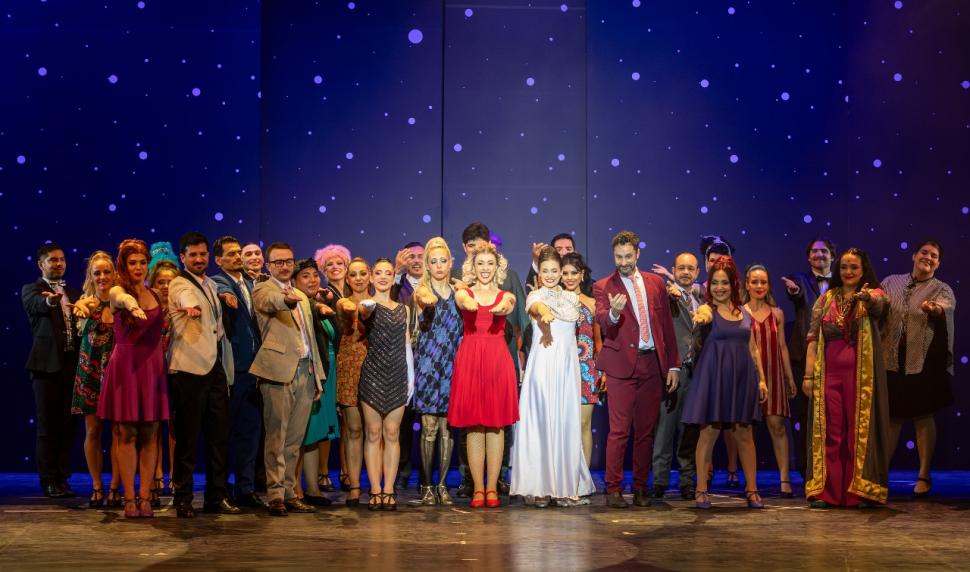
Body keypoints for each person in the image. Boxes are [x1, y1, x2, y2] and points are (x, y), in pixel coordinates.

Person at [593, 231, 680, 509]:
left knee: (645, 431)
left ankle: (641, 487)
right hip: (621, 366)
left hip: (651, 363)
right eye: (618, 257)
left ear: (637, 253)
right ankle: (614, 489)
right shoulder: (603, 286)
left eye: (628, 256)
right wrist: (614, 313)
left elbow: (666, 326)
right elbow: (603, 320)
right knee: (619, 431)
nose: (623, 262)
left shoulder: (656, 283)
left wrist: (673, 364)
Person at [803, 248, 890, 508]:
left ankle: (860, 492)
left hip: (861, 377)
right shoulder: (826, 299)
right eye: (844, 267)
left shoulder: (874, 294)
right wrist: (808, 376)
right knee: (832, 431)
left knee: (857, 432)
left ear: (863, 271)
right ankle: (827, 492)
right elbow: (812, 338)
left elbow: (880, 307)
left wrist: (867, 298)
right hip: (829, 375)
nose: (848, 272)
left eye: (854, 267)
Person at [511, 247, 595, 507]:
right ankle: (539, 486)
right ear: (539, 273)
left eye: (554, 270)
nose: (549, 275)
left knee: (565, 423)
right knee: (541, 422)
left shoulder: (571, 298)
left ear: (561, 272)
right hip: (543, 366)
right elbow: (536, 308)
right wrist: (544, 313)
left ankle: (564, 486)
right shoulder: (535, 296)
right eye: (544, 270)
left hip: (567, 369)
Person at [681, 256, 768, 510]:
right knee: (709, 433)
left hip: (742, 379)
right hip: (714, 379)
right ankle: (701, 489)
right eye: (715, 283)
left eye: (725, 283)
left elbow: (753, 348)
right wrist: (702, 316)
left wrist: (762, 380)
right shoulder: (707, 310)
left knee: (744, 434)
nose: (720, 287)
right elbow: (703, 316)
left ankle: (752, 489)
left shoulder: (744, 312)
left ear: (733, 284)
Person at [250, 242, 326, 516]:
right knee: (277, 437)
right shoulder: (263, 289)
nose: (284, 266)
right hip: (278, 372)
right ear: (269, 265)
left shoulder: (302, 296)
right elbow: (269, 302)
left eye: (288, 261)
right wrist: (286, 300)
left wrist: (318, 376)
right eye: (278, 262)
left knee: (295, 439)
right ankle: (275, 494)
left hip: (305, 370)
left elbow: (310, 340)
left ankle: (291, 492)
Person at [451, 222, 527, 497]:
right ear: (472, 265)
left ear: (497, 266)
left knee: (495, 427)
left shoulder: (506, 295)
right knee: (474, 426)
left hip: (496, 360)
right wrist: (467, 301)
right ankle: (478, 489)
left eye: (490, 263)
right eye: (480, 263)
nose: (485, 268)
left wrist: (500, 307)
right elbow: (462, 299)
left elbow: (508, 305)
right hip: (471, 359)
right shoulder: (465, 292)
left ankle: (493, 488)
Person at [167, 232, 239, 518]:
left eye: (202, 254)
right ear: (182, 257)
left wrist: (223, 298)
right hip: (189, 369)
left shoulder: (210, 283)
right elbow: (185, 298)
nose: (198, 259)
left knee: (219, 436)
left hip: (214, 367)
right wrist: (190, 307)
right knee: (187, 438)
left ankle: (216, 496)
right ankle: (182, 497)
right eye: (193, 255)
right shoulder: (179, 283)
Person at [97, 239, 169, 518]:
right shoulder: (118, 290)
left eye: (142, 262)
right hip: (126, 366)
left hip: (152, 367)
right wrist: (132, 305)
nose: (138, 267)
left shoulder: (155, 293)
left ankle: (145, 497)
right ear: (124, 266)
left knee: (150, 433)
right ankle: (129, 498)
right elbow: (119, 299)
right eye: (132, 263)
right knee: (126, 433)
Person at [882, 241, 955, 498]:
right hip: (891, 358)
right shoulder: (891, 281)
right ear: (914, 256)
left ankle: (924, 474)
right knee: (892, 418)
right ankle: (881, 475)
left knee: (923, 416)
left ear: (938, 263)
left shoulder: (941, 288)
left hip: (923, 360)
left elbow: (946, 307)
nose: (928, 257)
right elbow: (879, 305)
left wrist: (934, 309)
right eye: (924, 252)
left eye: (934, 256)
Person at [22, 243, 81, 499]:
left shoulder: (74, 292)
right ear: (41, 264)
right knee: (48, 426)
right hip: (46, 368)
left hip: (71, 366)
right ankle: (48, 480)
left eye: (61, 259)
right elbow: (37, 305)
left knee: (68, 426)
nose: (58, 264)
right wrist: (49, 300)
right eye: (52, 260)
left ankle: (62, 478)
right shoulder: (32, 290)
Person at [211, 236, 266, 509]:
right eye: (230, 254)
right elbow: (221, 289)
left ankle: (246, 488)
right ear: (218, 260)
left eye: (238, 253)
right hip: (233, 368)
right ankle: (221, 490)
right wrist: (226, 295)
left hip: (256, 368)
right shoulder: (218, 282)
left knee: (251, 430)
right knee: (225, 432)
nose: (236, 257)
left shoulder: (252, 284)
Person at [353, 258, 412, 510]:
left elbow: (407, 344)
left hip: (398, 374)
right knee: (373, 433)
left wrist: (410, 378)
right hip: (373, 375)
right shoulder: (366, 305)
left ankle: (389, 489)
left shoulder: (404, 309)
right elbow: (364, 313)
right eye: (378, 273)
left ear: (393, 276)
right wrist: (367, 308)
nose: (384, 277)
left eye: (388, 273)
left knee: (392, 433)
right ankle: (375, 489)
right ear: (371, 276)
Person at [412, 238, 463, 505]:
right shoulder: (423, 291)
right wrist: (426, 297)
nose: (439, 265)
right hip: (429, 366)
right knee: (429, 427)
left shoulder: (459, 292)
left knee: (448, 430)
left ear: (450, 263)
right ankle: (427, 485)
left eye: (443, 260)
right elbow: (423, 298)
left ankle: (442, 485)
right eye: (434, 262)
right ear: (427, 266)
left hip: (453, 366)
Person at [781, 238, 836, 477]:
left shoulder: (842, 281)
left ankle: (832, 468)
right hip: (804, 356)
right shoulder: (801, 279)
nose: (819, 255)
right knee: (805, 416)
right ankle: (807, 471)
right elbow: (796, 292)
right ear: (808, 257)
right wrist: (793, 290)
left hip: (835, 355)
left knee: (833, 415)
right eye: (814, 251)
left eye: (824, 251)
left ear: (832, 256)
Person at [70, 251, 121, 508]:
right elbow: (82, 307)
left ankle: (115, 487)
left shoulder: (121, 301)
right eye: (97, 273)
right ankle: (97, 486)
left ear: (114, 274)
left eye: (106, 272)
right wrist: (81, 308)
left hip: (117, 372)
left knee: (119, 432)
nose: (102, 277)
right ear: (91, 276)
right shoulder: (86, 301)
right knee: (93, 430)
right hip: (90, 371)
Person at [651, 252, 703, 500]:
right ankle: (659, 480)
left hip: (697, 372)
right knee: (665, 428)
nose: (685, 272)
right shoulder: (667, 295)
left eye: (690, 268)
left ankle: (687, 482)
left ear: (697, 272)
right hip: (673, 371)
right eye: (681, 268)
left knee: (690, 430)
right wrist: (669, 292)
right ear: (673, 271)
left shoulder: (702, 298)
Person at [743, 264, 797, 498]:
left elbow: (782, 346)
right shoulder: (740, 311)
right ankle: (751, 482)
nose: (759, 286)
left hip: (774, 374)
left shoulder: (777, 313)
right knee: (748, 431)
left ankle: (785, 479)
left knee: (777, 426)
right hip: (749, 376)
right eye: (754, 282)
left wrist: (789, 376)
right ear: (747, 285)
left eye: (763, 282)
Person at [291, 259, 340, 507]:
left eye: (314, 275)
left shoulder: (320, 304)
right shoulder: (298, 304)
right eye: (305, 276)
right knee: (302, 433)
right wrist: (319, 305)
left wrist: (326, 303)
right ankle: (295, 488)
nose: (312, 280)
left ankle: (312, 488)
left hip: (327, 374)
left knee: (316, 433)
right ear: (294, 281)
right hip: (309, 374)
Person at [560, 253, 603, 467]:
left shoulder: (592, 303)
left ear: (582, 274)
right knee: (563, 426)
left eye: (574, 273)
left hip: (586, 369)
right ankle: (564, 474)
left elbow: (598, 341)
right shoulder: (555, 301)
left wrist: (602, 371)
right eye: (565, 273)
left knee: (584, 424)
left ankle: (583, 476)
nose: (569, 277)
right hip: (560, 368)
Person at [334, 257, 371, 505]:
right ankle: (355, 486)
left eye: (362, 274)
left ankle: (378, 486)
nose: (358, 279)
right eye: (353, 275)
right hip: (350, 368)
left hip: (377, 368)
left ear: (370, 275)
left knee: (376, 431)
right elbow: (346, 312)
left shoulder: (381, 302)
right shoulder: (343, 302)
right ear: (347, 279)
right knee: (354, 430)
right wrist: (353, 309)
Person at [315, 243, 351, 492]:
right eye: (330, 264)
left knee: (349, 421)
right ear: (323, 269)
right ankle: (323, 472)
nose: (335, 267)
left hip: (351, 362)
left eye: (340, 263)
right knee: (327, 419)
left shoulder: (356, 291)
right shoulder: (321, 294)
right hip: (330, 361)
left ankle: (347, 471)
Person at [391, 241, 424, 491]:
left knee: (429, 421)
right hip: (402, 360)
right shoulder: (397, 286)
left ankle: (426, 472)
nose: (416, 260)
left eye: (421, 256)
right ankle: (401, 468)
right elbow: (384, 303)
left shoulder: (436, 284)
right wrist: (396, 272)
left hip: (429, 360)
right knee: (402, 419)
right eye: (410, 256)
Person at [148, 258, 178, 499]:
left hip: (177, 372)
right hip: (153, 372)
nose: (166, 286)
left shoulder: (182, 308)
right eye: (161, 282)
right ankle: (156, 474)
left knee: (175, 427)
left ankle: (175, 475)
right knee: (154, 426)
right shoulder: (148, 309)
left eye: (171, 282)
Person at [527, 233, 593, 296]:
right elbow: (530, 289)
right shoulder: (548, 278)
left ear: (575, 252)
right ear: (552, 253)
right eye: (559, 249)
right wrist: (536, 261)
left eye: (568, 249)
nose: (564, 253)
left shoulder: (589, 283)